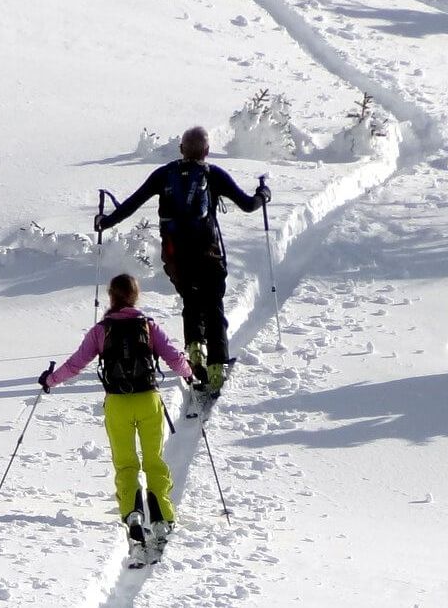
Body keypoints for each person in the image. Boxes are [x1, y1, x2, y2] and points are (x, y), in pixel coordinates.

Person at [96, 126, 270, 399]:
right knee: (213, 306)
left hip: (176, 256)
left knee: (191, 302)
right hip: (209, 254)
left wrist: (105, 222)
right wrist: (264, 195)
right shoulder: (213, 175)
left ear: (181, 149)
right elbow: (248, 205)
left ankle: (195, 355)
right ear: (207, 151)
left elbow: (131, 204)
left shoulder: (164, 174)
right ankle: (216, 367)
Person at [38, 274, 197, 566]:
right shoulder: (148, 326)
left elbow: (75, 364)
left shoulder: (101, 330)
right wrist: (189, 374)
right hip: (148, 400)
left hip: (117, 404)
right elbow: (174, 358)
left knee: (126, 464)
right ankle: (161, 518)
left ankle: (134, 517)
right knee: (153, 461)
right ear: (135, 296)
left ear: (111, 297)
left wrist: (50, 379)